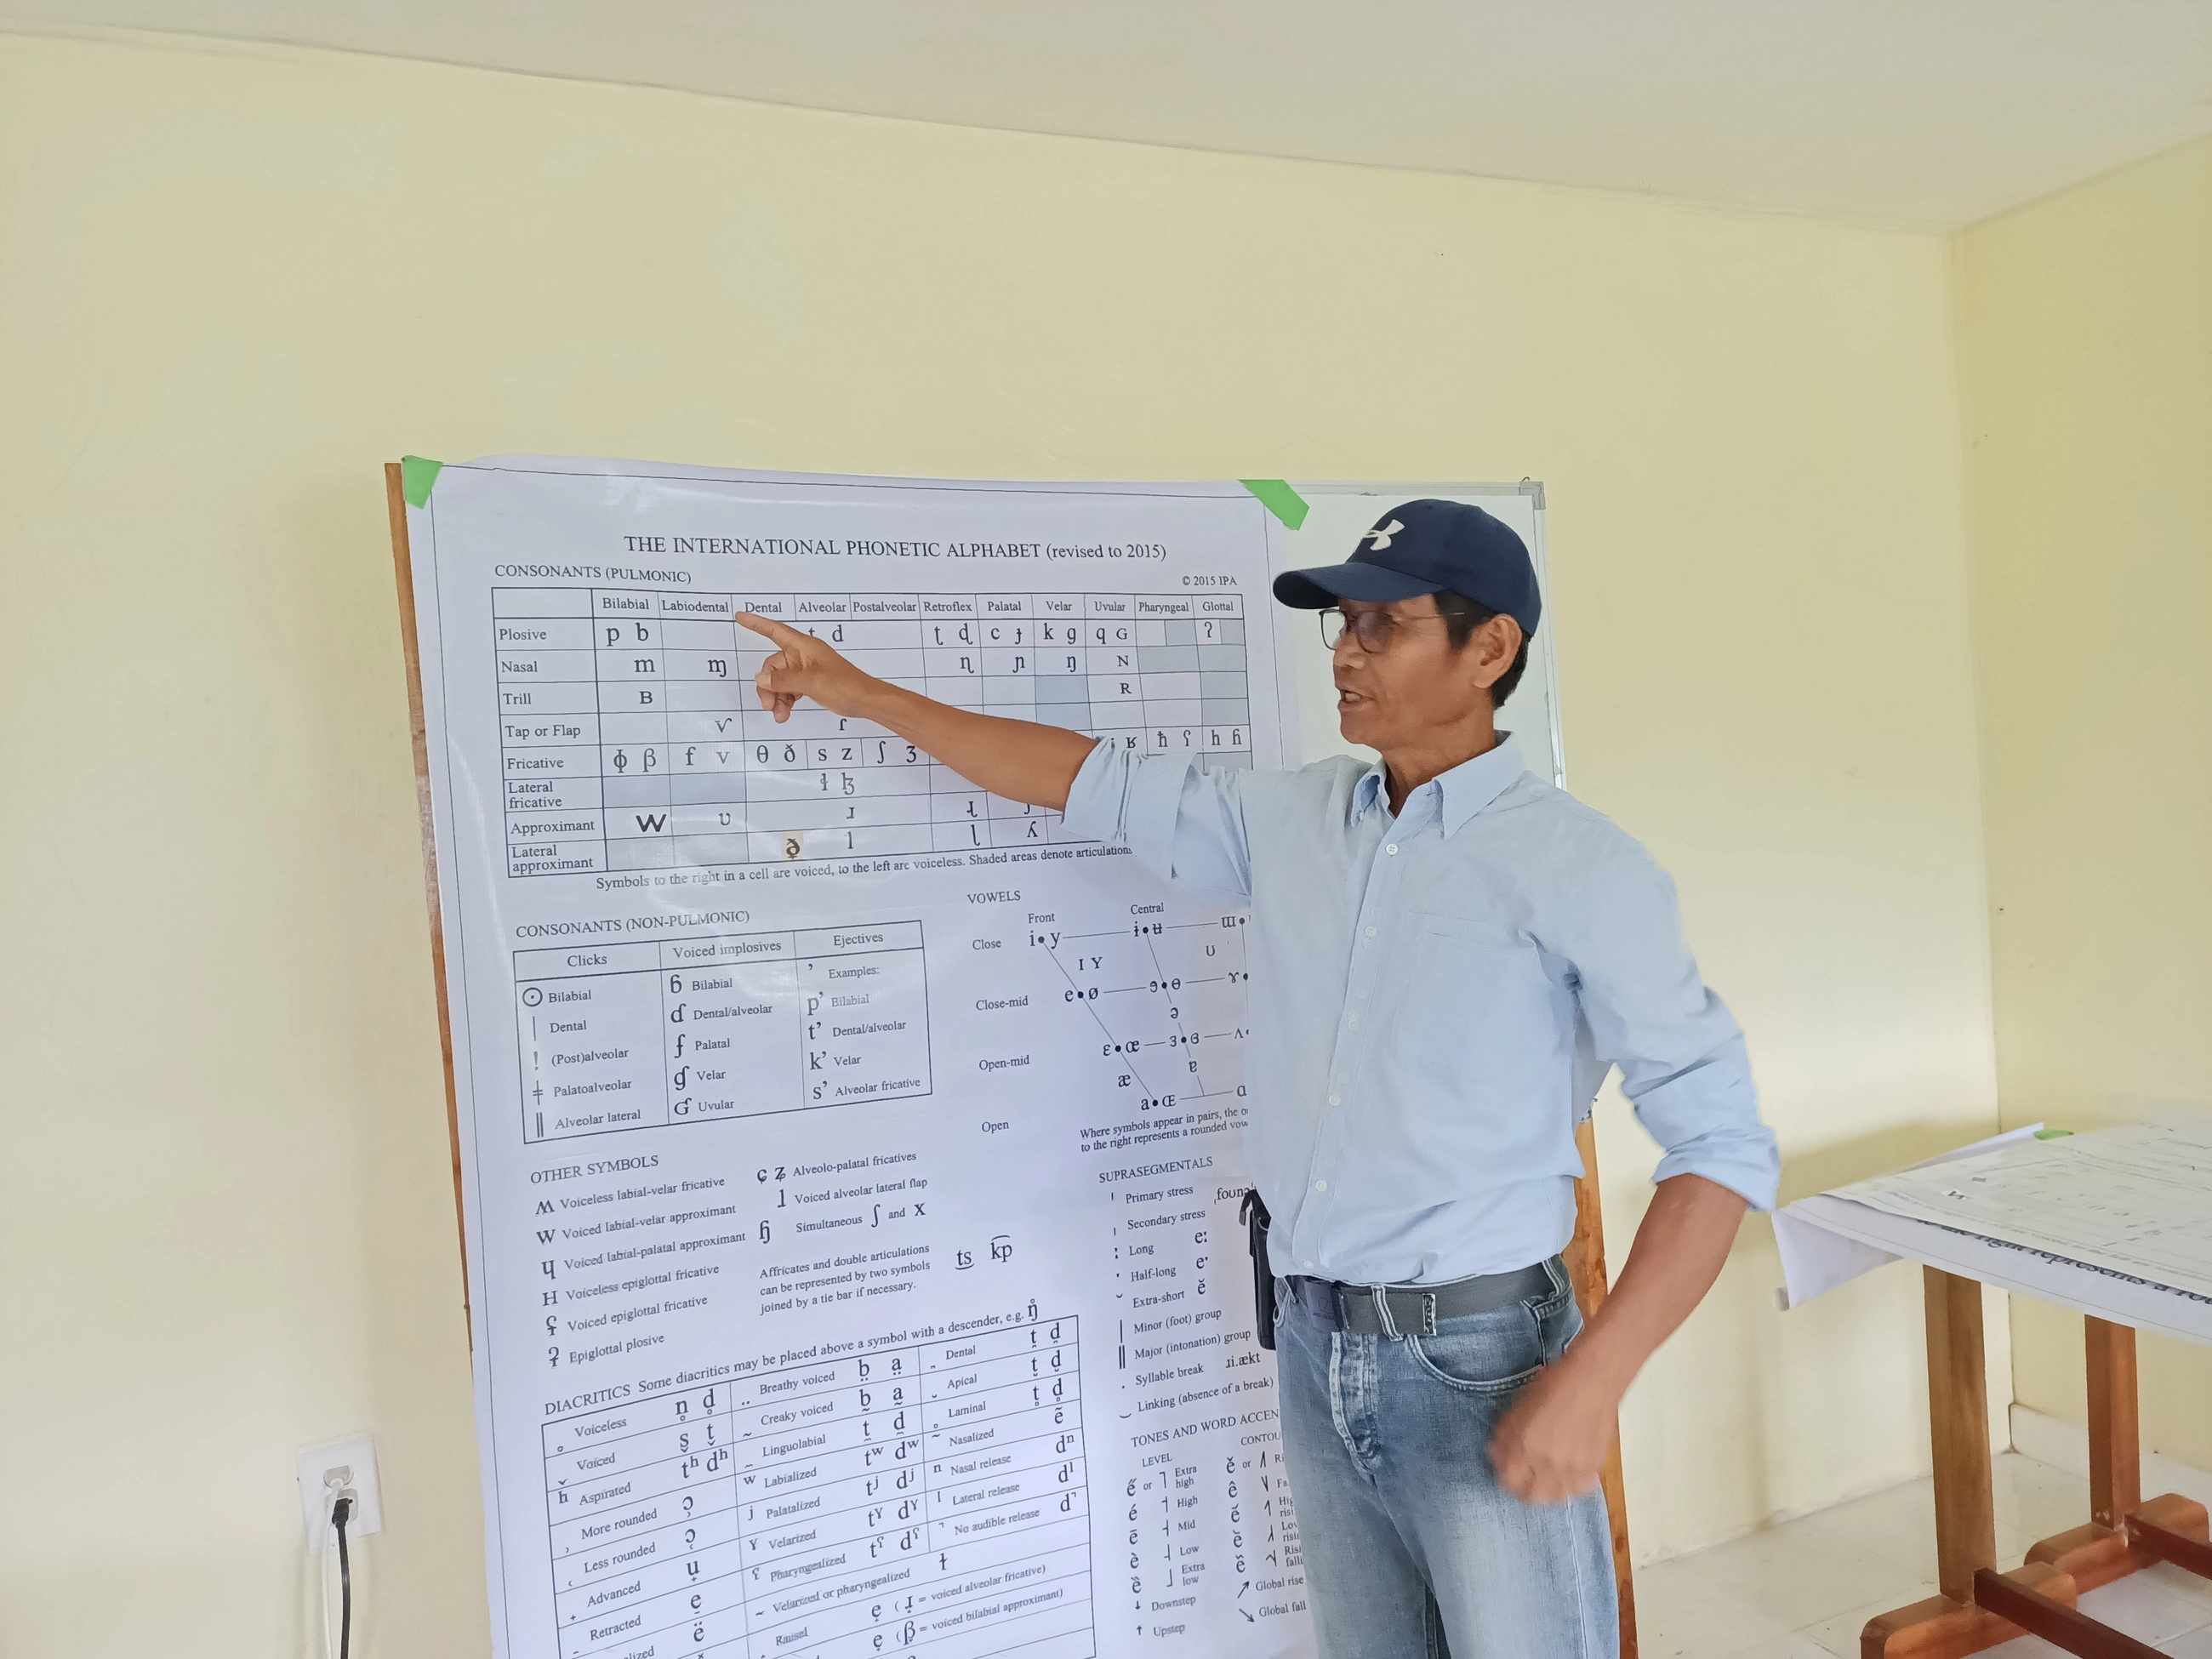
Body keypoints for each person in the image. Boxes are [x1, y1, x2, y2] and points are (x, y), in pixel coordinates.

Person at [736, 499, 1779, 1659]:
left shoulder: (1582, 867)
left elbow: (1721, 1148)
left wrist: (1595, 1378)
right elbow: (1079, 776)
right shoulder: (1293, 817)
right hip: (1313, 1346)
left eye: (1383, 626)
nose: (1345, 653)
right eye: (1342, 624)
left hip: (1483, 1360)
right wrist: (863, 694)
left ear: (1489, 649)